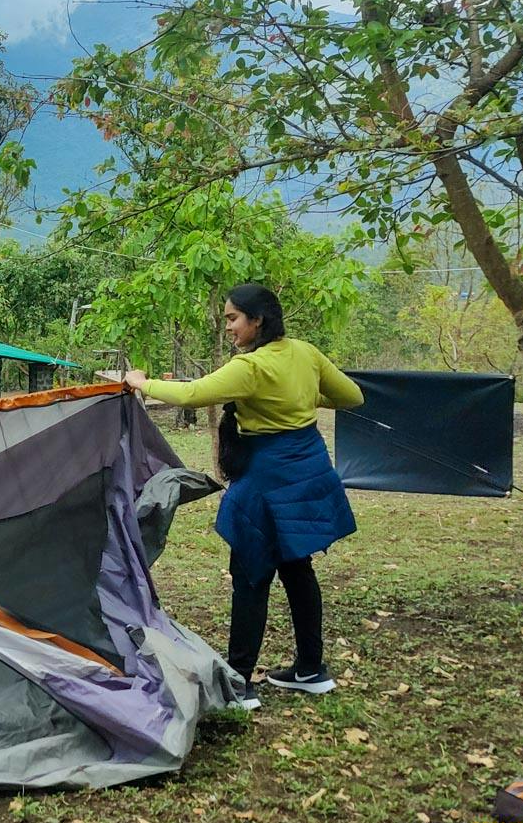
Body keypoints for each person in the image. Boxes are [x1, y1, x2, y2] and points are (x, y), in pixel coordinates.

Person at [122, 283, 363, 710]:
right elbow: (352, 396)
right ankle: (311, 669)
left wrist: (142, 382)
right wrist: (303, 399)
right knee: (297, 566)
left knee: (251, 571)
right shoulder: (305, 353)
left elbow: (192, 394)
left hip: (268, 473)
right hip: (307, 465)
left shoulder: (251, 368)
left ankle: (240, 683)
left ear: (258, 321)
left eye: (233, 318)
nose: (230, 326)